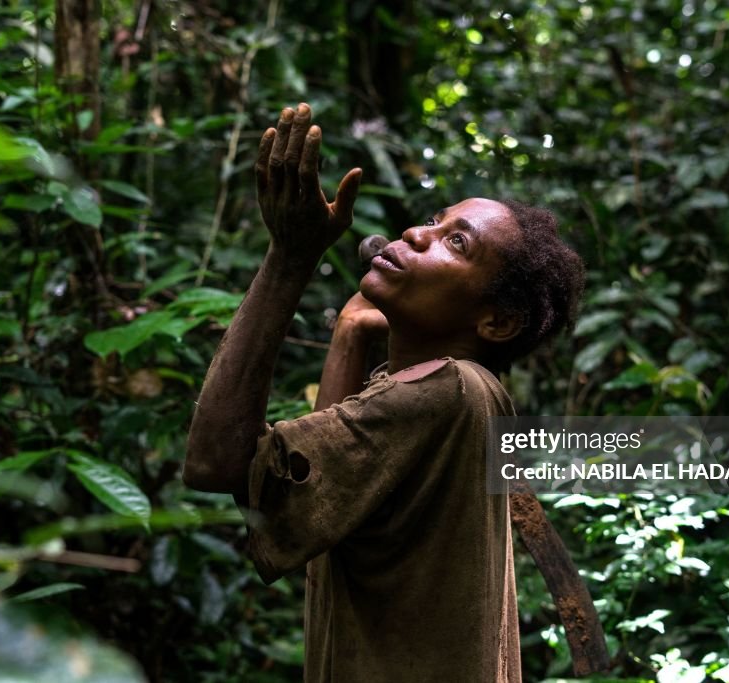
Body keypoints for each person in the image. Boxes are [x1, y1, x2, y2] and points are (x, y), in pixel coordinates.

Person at [184, 103, 585, 683]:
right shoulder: (474, 398)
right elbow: (318, 508)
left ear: (496, 322)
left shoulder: (445, 393)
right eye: (433, 219)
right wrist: (349, 332)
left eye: (457, 243)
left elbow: (214, 463)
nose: (416, 233)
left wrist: (290, 259)